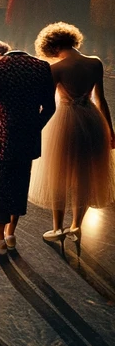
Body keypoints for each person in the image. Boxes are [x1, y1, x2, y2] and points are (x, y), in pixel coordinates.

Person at [0, 38, 56, 254]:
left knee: (0, 188)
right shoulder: (42, 67)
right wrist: (33, 127)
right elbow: (50, 107)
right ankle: (11, 234)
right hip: (27, 140)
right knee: (20, 184)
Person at [29, 22, 115, 242]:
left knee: (57, 175)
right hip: (92, 120)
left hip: (64, 121)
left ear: (53, 48)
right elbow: (101, 99)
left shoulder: (56, 68)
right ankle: (77, 225)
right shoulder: (95, 63)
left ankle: (57, 228)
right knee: (85, 175)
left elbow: (46, 102)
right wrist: (110, 130)